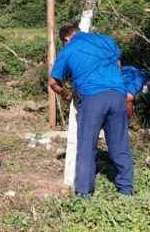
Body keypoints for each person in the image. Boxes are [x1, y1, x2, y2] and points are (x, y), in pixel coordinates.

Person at [49, 23, 135, 197]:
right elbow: (118, 64)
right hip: (118, 95)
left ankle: (84, 193)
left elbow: (53, 81)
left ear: (66, 38)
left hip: (92, 98)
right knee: (120, 144)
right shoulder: (106, 40)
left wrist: (67, 94)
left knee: (87, 147)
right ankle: (126, 190)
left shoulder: (68, 49)